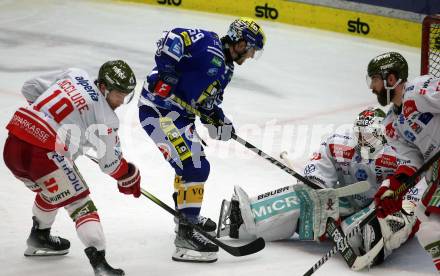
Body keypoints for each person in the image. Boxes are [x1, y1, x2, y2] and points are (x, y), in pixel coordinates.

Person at [217, 107, 422, 269]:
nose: (362, 141)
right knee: (302, 199)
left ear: (382, 134)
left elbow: (414, 183)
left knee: (372, 228)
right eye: (360, 135)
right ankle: (243, 220)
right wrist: (317, 186)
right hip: (348, 199)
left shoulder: (399, 151)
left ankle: (373, 238)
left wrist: (394, 198)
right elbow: (321, 163)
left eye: (369, 137)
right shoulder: (340, 141)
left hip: (382, 207)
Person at [138, 17, 266, 263]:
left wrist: (217, 118)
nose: (250, 56)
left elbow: (206, 102)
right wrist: (166, 71)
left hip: (180, 116)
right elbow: (172, 37)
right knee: (195, 166)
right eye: (250, 49)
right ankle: (185, 237)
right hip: (158, 110)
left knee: (188, 164)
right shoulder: (207, 42)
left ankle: (185, 217)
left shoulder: (227, 70)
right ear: (240, 43)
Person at [3, 60, 141, 276]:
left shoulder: (75, 75)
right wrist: (129, 175)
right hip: (45, 154)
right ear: (103, 87)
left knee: (55, 189)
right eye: (118, 94)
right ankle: (101, 266)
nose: (121, 101)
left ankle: (40, 236)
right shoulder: (106, 119)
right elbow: (110, 164)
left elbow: (30, 88)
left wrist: (49, 121)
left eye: (125, 95)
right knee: (80, 204)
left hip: (14, 144)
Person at [367, 51, 440, 271]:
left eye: (375, 79)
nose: (372, 87)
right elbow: (413, 162)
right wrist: (393, 188)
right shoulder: (391, 124)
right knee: (428, 228)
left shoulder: (419, 90)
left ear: (391, 79)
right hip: (437, 176)